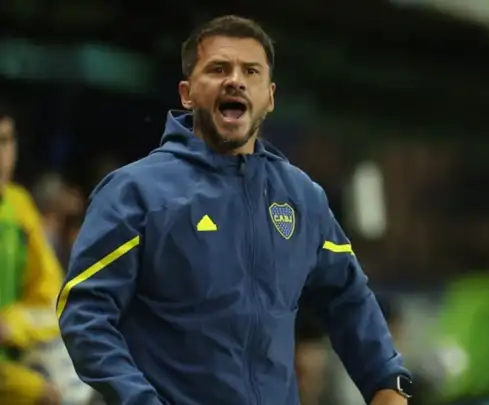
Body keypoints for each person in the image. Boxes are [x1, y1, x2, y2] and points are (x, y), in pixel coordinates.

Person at [56, 15, 412, 405]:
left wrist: (387, 381)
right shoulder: (135, 192)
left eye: (251, 71)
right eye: (218, 69)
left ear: (270, 97)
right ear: (187, 93)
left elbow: (348, 299)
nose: (235, 80)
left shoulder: (302, 197)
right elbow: (85, 313)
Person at [0, 106, 63, 405]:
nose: (1, 157)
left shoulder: (19, 207)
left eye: (5, 141)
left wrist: (12, 325)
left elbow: (53, 301)